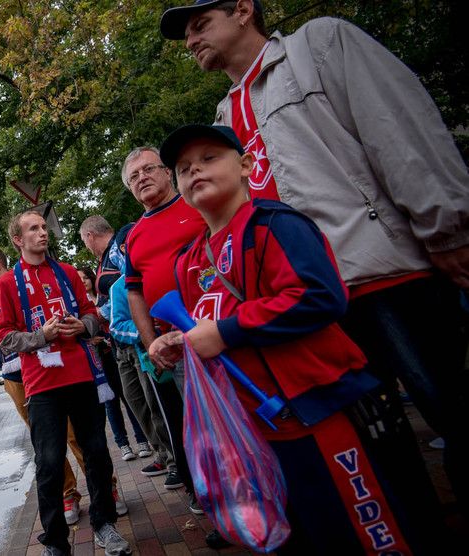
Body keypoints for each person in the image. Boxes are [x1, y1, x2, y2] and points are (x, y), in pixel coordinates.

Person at [160, 0, 469, 516]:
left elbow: (396, 130)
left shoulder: (319, 46)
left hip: (376, 275)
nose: (191, 41)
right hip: (305, 307)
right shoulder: (223, 117)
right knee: (378, 444)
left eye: (200, 25)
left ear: (243, 9)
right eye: (187, 34)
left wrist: (447, 228)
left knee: (451, 410)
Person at [149, 123, 420, 554]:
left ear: (246, 165)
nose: (194, 170)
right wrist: (177, 342)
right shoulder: (189, 260)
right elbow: (205, 326)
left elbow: (319, 296)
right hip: (252, 429)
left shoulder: (275, 224)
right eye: (183, 168)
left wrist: (225, 331)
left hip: (314, 412)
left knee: (359, 532)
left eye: (209, 158)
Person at [0, 212, 132, 556]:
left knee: (97, 452)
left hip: (81, 376)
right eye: (33, 229)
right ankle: (55, 542)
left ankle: (104, 524)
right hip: (41, 385)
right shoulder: (6, 283)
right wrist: (41, 336)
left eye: (43, 227)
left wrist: (83, 326)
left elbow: (92, 314)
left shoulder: (67, 272)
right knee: (50, 463)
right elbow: (4, 336)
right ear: (18, 240)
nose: (43, 233)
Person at [121, 147, 205, 500]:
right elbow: (134, 292)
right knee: (201, 425)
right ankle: (222, 497)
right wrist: (151, 342)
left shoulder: (197, 204)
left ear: (167, 171)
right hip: (177, 346)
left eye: (148, 169)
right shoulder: (134, 235)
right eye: (133, 176)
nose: (142, 178)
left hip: (224, 329)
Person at [76, 265, 149, 462]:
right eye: (78, 279)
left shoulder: (105, 297)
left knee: (129, 398)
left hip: (118, 352)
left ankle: (142, 440)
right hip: (99, 360)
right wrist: (89, 339)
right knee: (111, 403)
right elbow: (79, 333)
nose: (82, 282)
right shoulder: (80, 305)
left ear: (91, 278)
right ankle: (123, 445)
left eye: (84, 278)